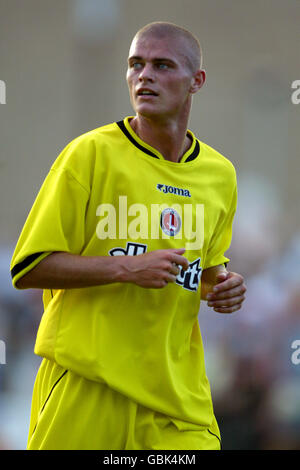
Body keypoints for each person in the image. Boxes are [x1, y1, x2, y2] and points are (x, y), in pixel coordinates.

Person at [10, 22, 246, 450]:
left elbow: (208, 267)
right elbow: (28, 268)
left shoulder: (220, 174)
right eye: (136, 64)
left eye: (161, 65)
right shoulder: (89, 154)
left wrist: (223, 286)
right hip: (86, 386)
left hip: (176, 401)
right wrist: (125, 267)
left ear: (197, 81)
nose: (144, 76)